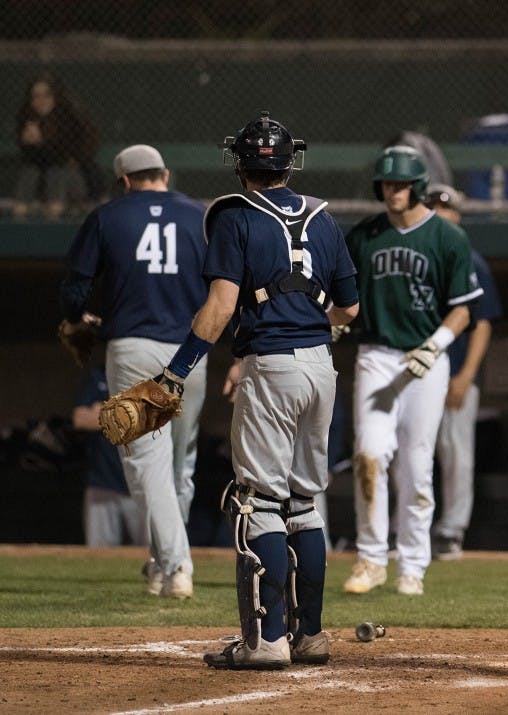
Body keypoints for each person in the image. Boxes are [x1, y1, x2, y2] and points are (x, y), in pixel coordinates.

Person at [145, 111, 357, 670]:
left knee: (259, 500)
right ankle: (310, 635)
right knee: (305, 501)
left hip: (272, 364)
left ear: (240, 163)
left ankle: (266, 642)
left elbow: (218, 308)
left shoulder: (233, 215)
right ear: (291, 161)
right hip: (321, 364)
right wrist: (307, 327)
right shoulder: (325, 218)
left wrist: (175, 373)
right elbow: (350, 308)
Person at [59, 143, 208, 599]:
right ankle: (162, 562)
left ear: (124, 180)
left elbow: (75, 287)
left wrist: (78, 318)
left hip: (133, 349)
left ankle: (175, 563)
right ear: (165, 173)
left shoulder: (109, 216)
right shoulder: (201, 215)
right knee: (180, 466)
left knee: (148, 465)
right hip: (191, 350)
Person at [343, 145, 482, 596]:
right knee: (368, 453)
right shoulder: (364, 236)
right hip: (377, 354)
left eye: (401, 184)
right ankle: (370, 557)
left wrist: (436, 345)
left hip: (426, 360)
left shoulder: (447, 237)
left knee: (417, 465)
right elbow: (343, 300)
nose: (392, 191)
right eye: (386, 183)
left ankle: (413, 564)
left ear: (418, 185)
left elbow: (463, 311)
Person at [423, 184, 503, 560]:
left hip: (454, 371)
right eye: (433, 207)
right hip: (414, 374)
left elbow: (482, 323)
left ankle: (451, 531)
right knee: (409, 453)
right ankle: (406, 529)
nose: (440, 214)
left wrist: (466, 374)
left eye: (447, 209)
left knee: (456, 454)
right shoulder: (414, 255)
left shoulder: (470, 260)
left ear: (458, 216)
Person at [72, 366, 145, 548]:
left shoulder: (149, 373)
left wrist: (103, 413)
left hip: (142, 486)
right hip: (102, 482)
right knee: (98, 556)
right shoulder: (100, 374)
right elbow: (80, 419)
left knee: (152, 557)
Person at [13, 73, 101, 219]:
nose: (41, 101)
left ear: (56, 97)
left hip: (73, 182)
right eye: (36, 96)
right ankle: (20, 213)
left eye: (47, 95)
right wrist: (29, 144)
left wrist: (42, 142)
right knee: (30, 172)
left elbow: (66, 159)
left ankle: (55, 213)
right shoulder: (27, 120)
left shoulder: (70, 120)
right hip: (39, 184)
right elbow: (31, 161)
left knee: (57, 172)